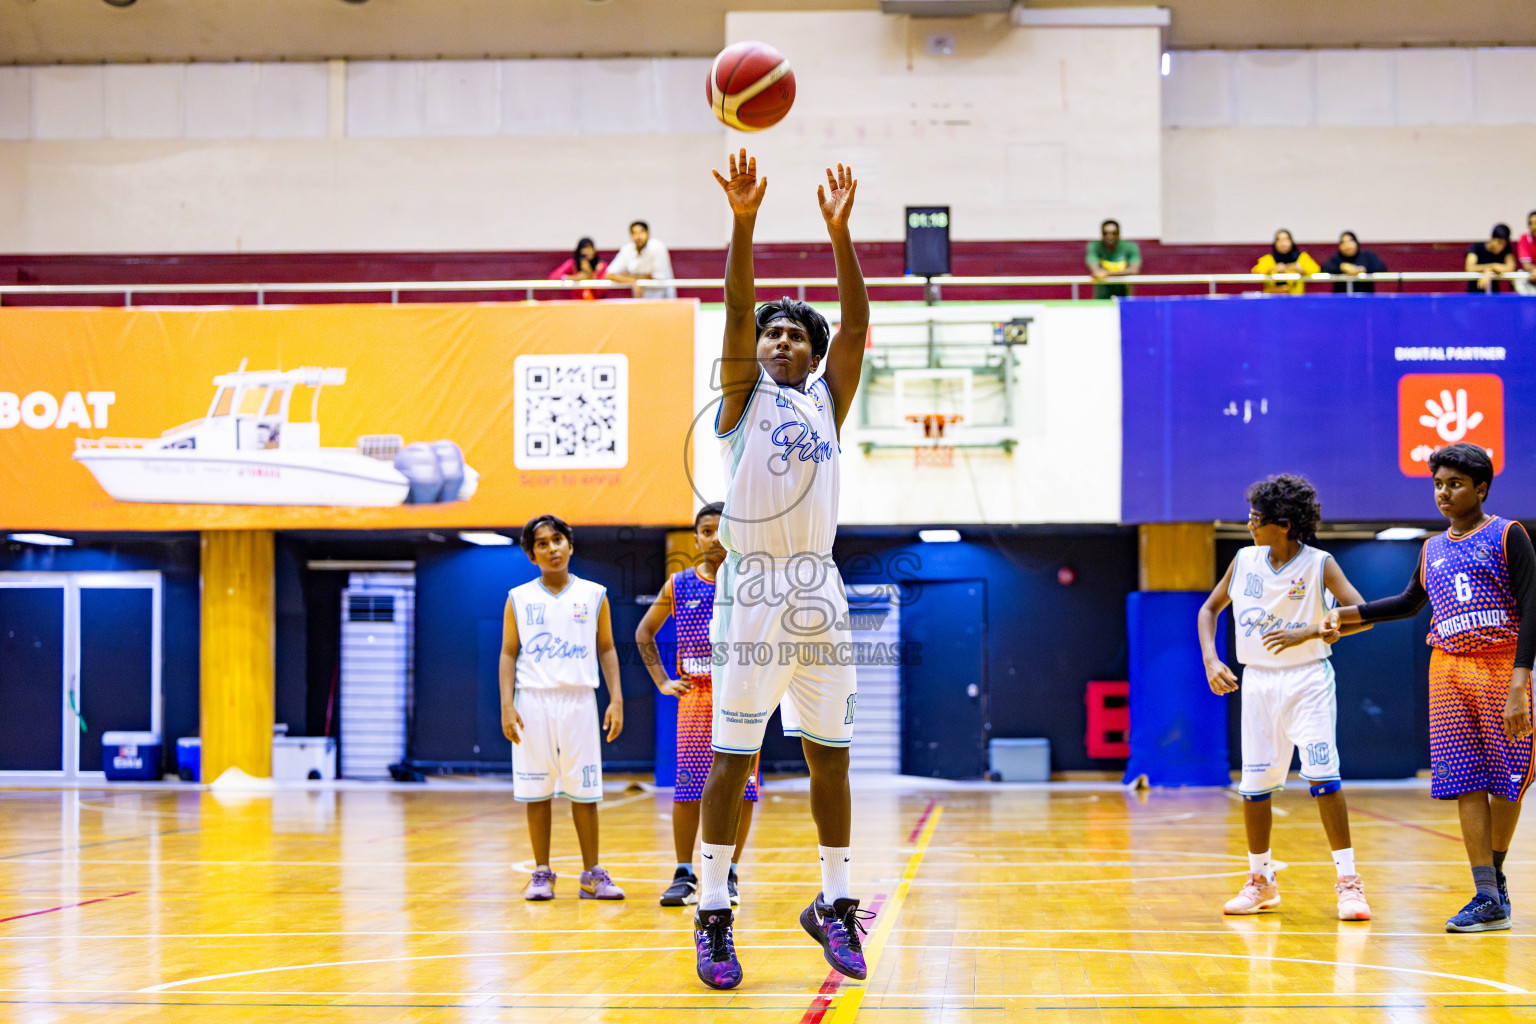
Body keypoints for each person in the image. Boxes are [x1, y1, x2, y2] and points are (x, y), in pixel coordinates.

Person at [689, 148, 870, 991]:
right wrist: (744, 221)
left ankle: (833, 903)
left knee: (830, 756)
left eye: (797, 331)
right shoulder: (739, 400)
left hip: (819, 589)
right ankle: (715, 910)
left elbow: (859, 326)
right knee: (735, 758)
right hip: (755, 589)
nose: (782, 337)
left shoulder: (828, 399)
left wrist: (841, 235)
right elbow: (732, 309)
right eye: (773, 330)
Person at [1329, 443, 1536, 933]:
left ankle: (1496, 880)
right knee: (1466, 780)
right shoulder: (1431, 547)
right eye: (1438, 484)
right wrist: (1347, 616)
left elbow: (1533, 610)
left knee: (1509, 782)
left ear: (1480, 488)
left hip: (1501, 666)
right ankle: (1486, 893)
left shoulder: (1509, 535)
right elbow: (1408, 602)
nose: (1444, 493)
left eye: (1455, 484)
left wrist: (1518, 685)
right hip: (1447, 670)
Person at [1196, 474, 1374, 922]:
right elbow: (1208, 609)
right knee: (1254, 787)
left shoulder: (1320, 564)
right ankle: (1261, 881)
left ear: (1284, 524)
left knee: (1323, 779)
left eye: (1255, 518)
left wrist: (1312, 629)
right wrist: (1212, 660)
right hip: (1257, 681)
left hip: (1308, 679)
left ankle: (1349, 883)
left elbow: (1364, 615)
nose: (1248, 524)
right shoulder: (1243, 560)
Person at [635, 501, 759, 907]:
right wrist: (662, 680)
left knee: (744, 789)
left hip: (742, 694)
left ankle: (729, 872)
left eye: (722, 529)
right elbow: (644, 633)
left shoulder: (752, 583)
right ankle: (684, 873)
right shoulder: (680, 583)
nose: (714, 538)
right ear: (696, 537)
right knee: (689, 787)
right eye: (707, 530)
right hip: (697, 696)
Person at [499, 513, 626, 901]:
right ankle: (541, 871)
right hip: (532, 700)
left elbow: (606, 647)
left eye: (557, 540)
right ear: (531, 554)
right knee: (537, 790)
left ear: (570, 544)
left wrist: (616, 698)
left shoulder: (594, 594)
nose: (552, 548)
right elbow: (507, 653)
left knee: (584, 790)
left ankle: (591, 874)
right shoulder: (519, 598)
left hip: (579, 701)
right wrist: (507, 704)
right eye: (542, 544)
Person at [605, 220, 676, 298]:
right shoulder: (627, 250)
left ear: (648, 234)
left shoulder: (658, 247)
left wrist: (627, 276)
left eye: (641, 232)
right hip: (640, 300)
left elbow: (657, 277)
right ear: (631, 236)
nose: (638, 237)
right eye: (634, 233)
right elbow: (609, 274)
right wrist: (632, 281)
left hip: (662, 298)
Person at [1085, 219, 1142, 299]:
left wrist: (1107, 273)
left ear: (1119, 234)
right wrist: (1098, 272)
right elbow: (1095, 269)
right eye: (1105, 233)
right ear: (1102, 234)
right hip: (1101, 297)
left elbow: (1133, 270)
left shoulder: (1130, 247)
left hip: (1124, 296)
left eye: (1113, 233)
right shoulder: (1094, 246)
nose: (1109, 237)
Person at [1252, 229, 1320, 295]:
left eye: (1286, 240)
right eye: (1279, 240)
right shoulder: (1268, 259)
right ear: (1275, 243)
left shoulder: (1301, 258)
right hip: (1273, 299)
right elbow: (1256, 272)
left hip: (1295, 299)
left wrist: (1301, 270)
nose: (1283, 244)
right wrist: (1271, 269)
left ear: (1291, 241)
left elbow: (1316, 270)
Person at [1318, 231, 1387, 293]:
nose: (1347, 246)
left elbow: (1382, 269)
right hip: (1342, 300)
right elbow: (1323, 270)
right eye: (1343, 243)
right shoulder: (1336, 259)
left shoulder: (1367, 257)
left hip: (1365, 298)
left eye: (1350, 241)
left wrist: (1361, 270)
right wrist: (1341, 267)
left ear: (1356, 243)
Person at [1466, 224, 1516, 294]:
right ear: (1491, 239)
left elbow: (1510, 268)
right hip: (1474, 291)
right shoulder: (1477, 247)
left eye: (1504, 244)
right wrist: (1489, 268)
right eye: (1499, 242)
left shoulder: (1506, 249)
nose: (1501, 246)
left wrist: (1491, 268)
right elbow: (1470, 267)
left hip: (1494, 292)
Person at [1515, 211, 1536, 296]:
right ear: (1529, 226)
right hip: (1529, 279)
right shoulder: (1524, 238)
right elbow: (1526, 265)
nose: (1535, 227)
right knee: (1518, 278)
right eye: (1532, 224)